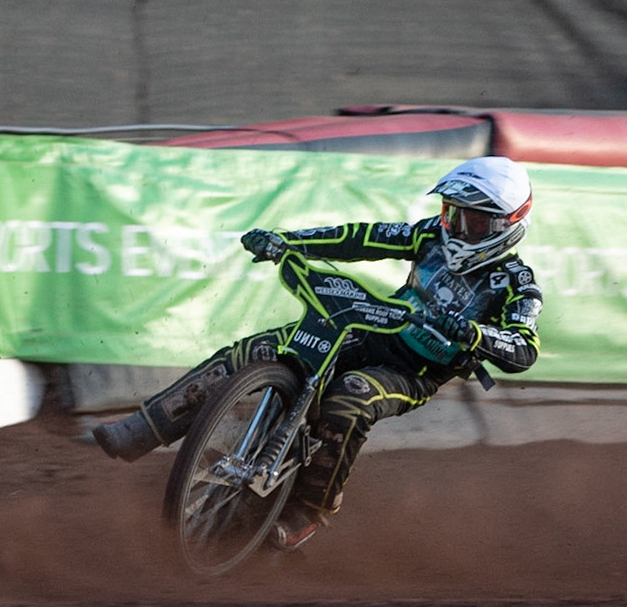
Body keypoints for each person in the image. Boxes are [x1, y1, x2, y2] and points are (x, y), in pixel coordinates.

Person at [93, 156, 542, 551]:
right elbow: (363, 238)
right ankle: (145, 426)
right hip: (370, 327)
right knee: (262, 348)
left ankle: (308, 511)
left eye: (471, 222)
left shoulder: (517, 283)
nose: (455, 228)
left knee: (350, 398)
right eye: (451, 214)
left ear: (506, 225)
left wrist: (473, 333)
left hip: (412, 369)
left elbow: (524, 348)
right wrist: (290, 242)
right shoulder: (431, 234)